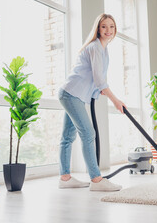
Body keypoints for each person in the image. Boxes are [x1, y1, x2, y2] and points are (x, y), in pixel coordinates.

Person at [58, 13, 126, 191]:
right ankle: (96, 180)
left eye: (111, 26)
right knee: (88, 134)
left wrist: (101, 91)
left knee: (67, 137)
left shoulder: (103, 49)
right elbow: (99, 80)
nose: (108, 30)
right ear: (98, 28)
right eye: (104, 26)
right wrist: (116, 100)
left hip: (73, 94)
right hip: (71, 94)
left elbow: (96, 80)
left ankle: (64, 178)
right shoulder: (95, 47)